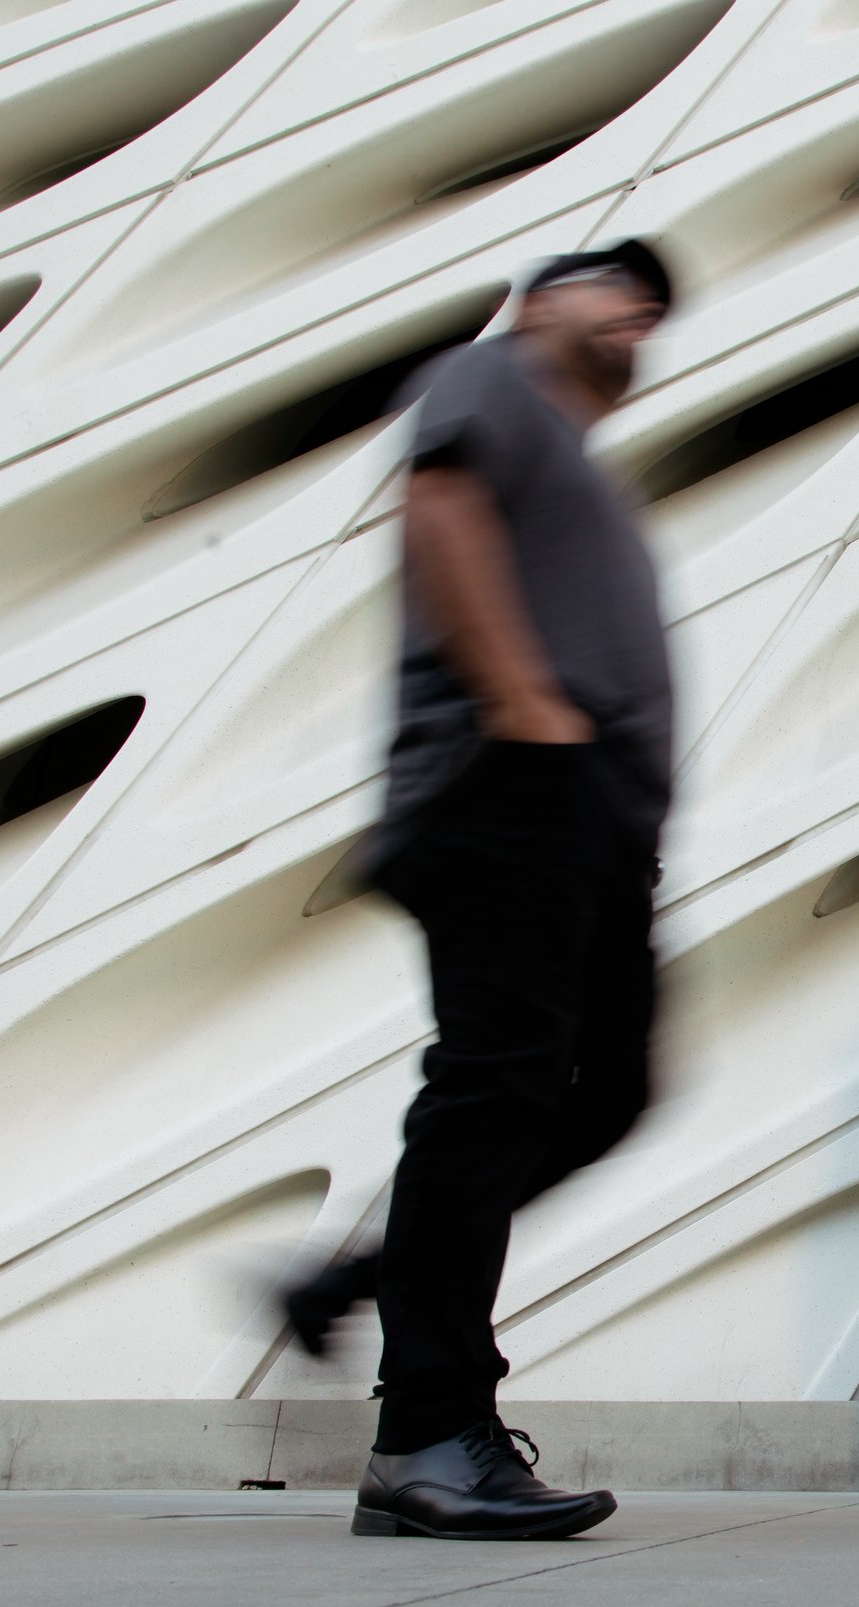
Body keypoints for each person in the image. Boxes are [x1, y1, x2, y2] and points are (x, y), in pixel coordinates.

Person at [288, 240, 678, 1540]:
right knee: (498, 1081)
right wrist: (525, 707)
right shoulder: (487, 379)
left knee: (611, 1087)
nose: (634, 306)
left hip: (589, 815)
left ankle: (363, 1276)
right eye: (608, 283)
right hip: (507, 785)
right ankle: (429, 1431)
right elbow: (439, 505)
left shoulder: (579, 463)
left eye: (652, 300)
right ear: (536, 304)